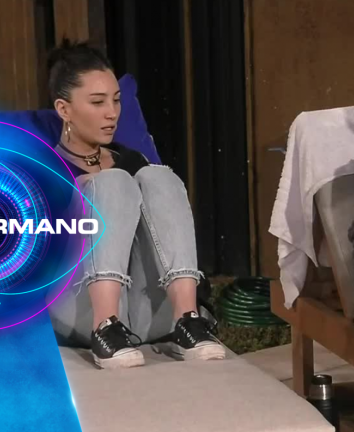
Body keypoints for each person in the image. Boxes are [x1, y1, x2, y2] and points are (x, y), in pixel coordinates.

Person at [45, 39, 225, 369]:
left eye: (116, 100)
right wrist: (77, 196)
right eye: (97, 102)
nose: (112, 113)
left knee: (158, 176)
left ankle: (188, 319)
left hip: (145, 312)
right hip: (76, 309)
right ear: (64, 109)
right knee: (111, 183)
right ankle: (105, 327)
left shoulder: (132, 160)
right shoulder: (42, 168)